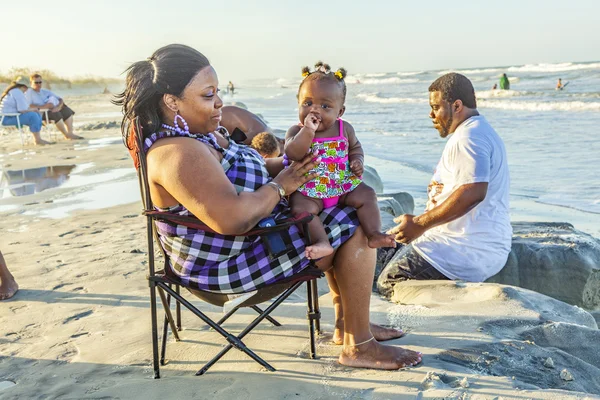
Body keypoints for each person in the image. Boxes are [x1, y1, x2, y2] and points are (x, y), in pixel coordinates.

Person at [114, 44, 421, 369]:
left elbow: (251, 172)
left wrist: (301, 168)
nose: (219, 102)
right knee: (351, 221)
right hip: (225, 266)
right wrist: (281, 186)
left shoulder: (200, 136)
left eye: (217, 92)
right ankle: (358, 345)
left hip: (256, 238)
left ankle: (349, 324)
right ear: (171, 101)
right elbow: (232, 218)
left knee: (340, 206)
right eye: (208, 96)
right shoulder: (176, 153)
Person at [378, 73, 512, 296]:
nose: (431, 114)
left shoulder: (469, 137)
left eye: (436, 107)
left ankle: (418, 326)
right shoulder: (476, 130)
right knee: (380, 253)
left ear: (457, 105)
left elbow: (473, 192)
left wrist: (420, 223)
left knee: (391, 282)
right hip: (459, 242)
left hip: (464, 248)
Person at [285, 62, 395, 259]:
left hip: (342, 184)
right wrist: (307, 131)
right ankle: (321, 241)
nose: (315, 111)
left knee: (368, 194)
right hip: (310, 190)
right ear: (298, 103)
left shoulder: (345, 129)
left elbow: (355, 148)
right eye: (307, 103)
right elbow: (293, 153)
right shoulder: (296, 131)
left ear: (340, 112)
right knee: (299, 208)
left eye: (325, 106)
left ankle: (374, 233)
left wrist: (357, 161)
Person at [26, 74, 83, 140]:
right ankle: (66, 134)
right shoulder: (29, 92)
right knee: (55, 114)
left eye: (40, 82)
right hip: (40, 113)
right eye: (36, 82)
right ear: (31, 83)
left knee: (66, 110)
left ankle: (70, 133)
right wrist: (45, 107)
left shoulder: (45, 91)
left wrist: (58, 107)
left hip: (51, 110)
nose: (38, 84)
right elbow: (28, 105)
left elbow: (60, 99)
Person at [0, 77, 50, 145]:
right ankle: (37, 140)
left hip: (5, 117)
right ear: (24, 86)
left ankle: (38, 137)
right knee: (33, 115)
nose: (27, 90)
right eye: (27, 88)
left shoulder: (13, 91)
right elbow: (22, 110)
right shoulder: (18, 92)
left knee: (35, 114)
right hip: (7, 118)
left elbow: (23, 108)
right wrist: (35, 109)